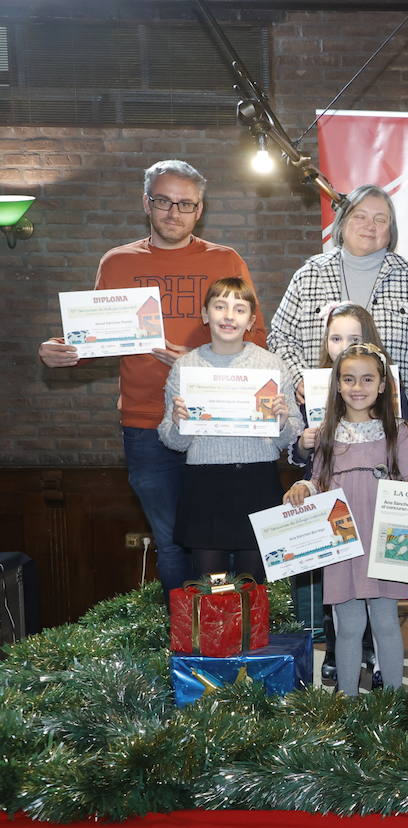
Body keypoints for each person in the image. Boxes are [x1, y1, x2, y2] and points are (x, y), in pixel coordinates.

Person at [37, 160, 259, 597]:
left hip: (215, 423)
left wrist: (198, 361)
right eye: (163, 201)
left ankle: (230, 638)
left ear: (200, 209)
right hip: (144, 426)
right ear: (146, 203)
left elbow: (259, 339)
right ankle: (184, 642)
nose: (173, 212)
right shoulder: (118, 262)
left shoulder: (225, 260)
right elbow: (96, 338)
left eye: (185, 204)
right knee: (171, 542)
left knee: (224, 542)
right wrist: (62, 351)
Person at [284, 342, 408, 695]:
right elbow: (318, 480)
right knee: (347, 626)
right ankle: (344, 702)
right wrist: (303, 487)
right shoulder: (327, 434)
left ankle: (392, 705)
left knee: (385, 623)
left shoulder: (396, 431)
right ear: (337, 385)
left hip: (386, 541)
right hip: (343, 543)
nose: (358, 387)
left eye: (367, 379)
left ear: (382, 385)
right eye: (349, 379)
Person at [157, 277, 299, 582]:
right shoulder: (186, 367)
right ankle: (215, 633)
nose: (228, 315)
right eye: (220, 306)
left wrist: (283, 420)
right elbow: (172, 440)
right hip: (205, 487)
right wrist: (181, 424)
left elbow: (292, 436)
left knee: (253, 585)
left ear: (250, 320)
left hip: (257, 482)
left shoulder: (271, 365)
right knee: (211, 587)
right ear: (206, 315)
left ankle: (250, 633)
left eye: (239, 308)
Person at [268, 184, 408, 421]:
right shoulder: (309, 275)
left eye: (380, 219)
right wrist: (300, 378)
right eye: (360, 216)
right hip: (322, 426)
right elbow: (280, 338)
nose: (369, 226)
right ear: (342, 221)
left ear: (391, 230)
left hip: (393, 428)